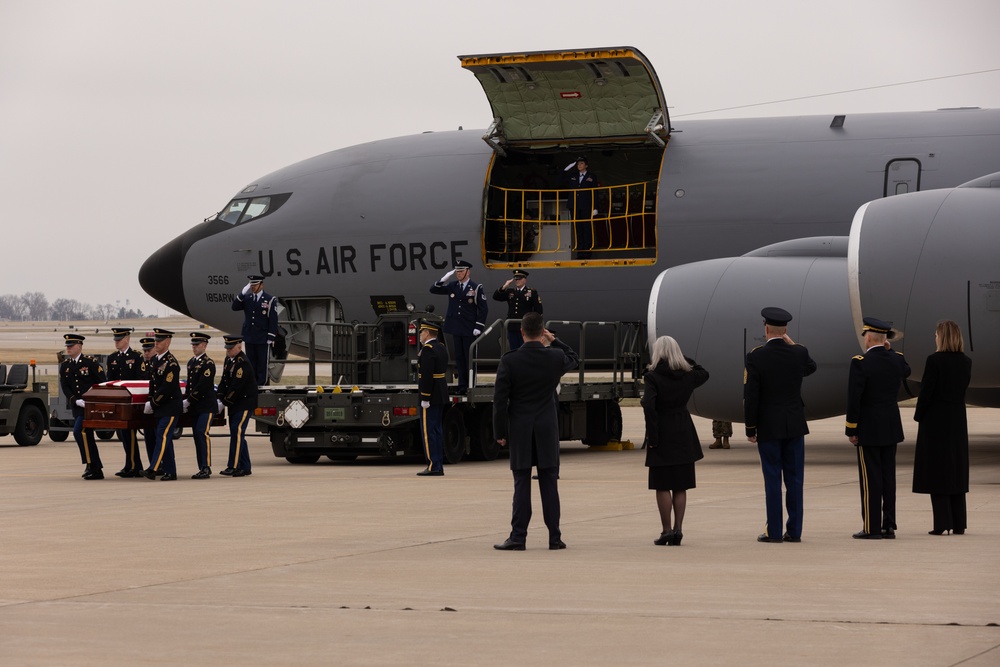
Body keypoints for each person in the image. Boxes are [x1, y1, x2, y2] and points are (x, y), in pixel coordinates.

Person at [493, 312, 579, 551]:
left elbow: (500, 401)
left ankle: (518, 536)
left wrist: (499, 432)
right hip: (546, 427)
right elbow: (575, 357)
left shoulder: (510, 361)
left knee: (522, 483)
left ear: (521, 332)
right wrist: (553, 340)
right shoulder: (554, 357)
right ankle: (555, 537)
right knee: (549, 483)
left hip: (521, 428)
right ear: (542, 332)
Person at [744, 307, 817, 543]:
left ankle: (773, 531)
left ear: (766, 329)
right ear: (785, 330)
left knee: (773, 479)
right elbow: (811, 366)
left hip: (768, 426)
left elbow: (751, 395)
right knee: (795, 480)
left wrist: (750, 427)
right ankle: (794, 531)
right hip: (794, 424)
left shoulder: (756, 356)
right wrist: (793, 344)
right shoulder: (799, 353)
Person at [846, 317, 911, 539]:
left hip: (869, 428)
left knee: (870, 479)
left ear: (869, 338)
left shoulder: (860, 362)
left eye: (865, 335)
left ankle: (871, 527)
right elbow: (907, 371)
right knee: (888, 477)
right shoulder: (896, 360)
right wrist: (890, 352)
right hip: (891, 426)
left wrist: (851, 429)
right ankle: (889, 525)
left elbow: (854, 399)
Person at [642, 336, 709, 546]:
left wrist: (653, 436)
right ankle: (679, 529)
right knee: (681, 485)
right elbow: (703, 372)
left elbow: (649, 406)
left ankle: (666, 530)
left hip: (662, 429)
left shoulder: (652, 377)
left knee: (662, 485)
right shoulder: (687, 375)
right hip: (682, 428)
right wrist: (682, 358)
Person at [912, 320, 972, 535]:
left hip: (936, 420)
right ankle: (958, 522)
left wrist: (918, 416)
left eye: (936, 334)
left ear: (942, 336)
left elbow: (927, 392)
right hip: (957, 418)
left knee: (937, 470)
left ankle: (941, 523)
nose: (934, 337)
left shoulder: (934, 360)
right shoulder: (965, 361)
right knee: (955, 468)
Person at [429, 259, 488, 394]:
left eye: (461, 271)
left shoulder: (476, 287)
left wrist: (479, 326)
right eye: (457, 271)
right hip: (456, 327)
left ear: (468, 271)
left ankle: (471, 386)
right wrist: (443, 279)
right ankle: (462, 387)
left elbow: (483, 309)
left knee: (470, 358)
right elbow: (433, 290)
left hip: (469, 328)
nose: (458, 273)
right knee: (460, 358)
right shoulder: (452, 285)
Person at [60, 333, 107, 479]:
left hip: (90, 406)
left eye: (71, 345)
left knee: (79, 431)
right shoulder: (66, 366)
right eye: (67, 346)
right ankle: (93, 466)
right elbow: (65, 386)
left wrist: (93, 399)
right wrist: (75, 400)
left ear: (79, 346)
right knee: (86, 435)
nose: (68, 348)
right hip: (78, 406)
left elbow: (102, 382)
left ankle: (93, 465)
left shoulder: (90, 363)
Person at [142, 328, 183, 481]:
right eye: (156, 341)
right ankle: (170, 471)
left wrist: (153, 403)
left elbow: (167, 387)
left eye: (159, 341)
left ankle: (153, 468)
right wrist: (150, 400)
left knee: (162, 436)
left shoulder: (171, 363)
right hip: (160, 407)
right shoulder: (154, 360)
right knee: (165, 439)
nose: (156, 343)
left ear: (168, 342)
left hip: (170, 407)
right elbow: (153, 384)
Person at [106, 326, 145, 477]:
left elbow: (141, 379)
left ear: (127, 339)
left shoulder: (136, 356)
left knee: (129, 433)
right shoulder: (113, 358)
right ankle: (130, 464)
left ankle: (135, 466)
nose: (116, 342)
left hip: (132, 402)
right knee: (123, 434)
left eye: (119, 339)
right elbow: (111, 380)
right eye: (115, 339)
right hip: (120, 402)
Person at [216, 335, 258, 477]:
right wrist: (219, 397)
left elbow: (236, 387)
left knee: (237, 430)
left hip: (244, 403)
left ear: (239, 347)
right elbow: (224, 381)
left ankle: (233, 466)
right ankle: (245, 467)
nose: (228, 350)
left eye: (231, 348)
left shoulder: (242, 363)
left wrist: (224, 402)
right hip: (235, 403)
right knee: (237, 433)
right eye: (227, 348)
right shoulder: (229, 360)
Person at [231, 274, 279, 386]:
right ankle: (252, 384)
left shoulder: (269, 299)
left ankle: (261, 384)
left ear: (261, 285)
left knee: (262, 363)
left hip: (262, 337)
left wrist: (271, 336)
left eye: (255, 284)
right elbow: (234, 307)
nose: (253, 287)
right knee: (251, 362)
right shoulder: (247, 298)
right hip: (249, 336)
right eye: (251, 285)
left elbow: (273, 319)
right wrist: (242, 293)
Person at [415, 320, 449, 477]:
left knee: (429, 432)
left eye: (422, 332)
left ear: (427, 333)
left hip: (431, 394)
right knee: (437, 430)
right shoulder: (441, 347)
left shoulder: (428, 350)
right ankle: (438, 464)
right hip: (441, 392)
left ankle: (433, 465)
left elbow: (426, 376)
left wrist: (425, 397)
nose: (420, 335)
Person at [185, 332, 217, 480]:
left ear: (204, 345)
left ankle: (206, 466)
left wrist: (189, 399)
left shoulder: (208, 363)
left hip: (206, 406)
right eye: (193, 344)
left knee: (202, 433)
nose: (194, 347)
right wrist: (186, 399)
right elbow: (189, 385)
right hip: (195, 407)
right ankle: (201, 466)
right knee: (197, 436)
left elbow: (203, 386)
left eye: (197, 344)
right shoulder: (191, 362)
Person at [492, 269, 543, 351]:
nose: (517, 280)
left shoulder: (531, 292)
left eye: (519, 278)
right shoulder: (510, 292)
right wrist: (504, 286)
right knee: (514, 349)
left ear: (524, 279)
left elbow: (538, 310)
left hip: (525, 327)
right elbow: (496, 297)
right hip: (512, 326)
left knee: (525, 350)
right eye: (516, 279)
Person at [566, 156, 598, 258]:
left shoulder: (592, 176)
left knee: (586, 228)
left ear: (586, 165)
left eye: (581, 163)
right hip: (574, 206)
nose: (579, 165)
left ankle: (587, 251)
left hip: (586, 205)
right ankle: (580, 252)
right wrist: (566, 169)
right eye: (578, 164)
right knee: (578, 229)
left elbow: (595, 192)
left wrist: (595, 207)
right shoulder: (573, 175)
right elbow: (560, 179)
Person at [138, 336, 157, 470]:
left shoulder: (160, 363)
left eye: (149, 350)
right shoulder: (142, 365)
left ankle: (159, 465)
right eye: (144, 351)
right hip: (146, 407)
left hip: (157, 405)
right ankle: (152, 464)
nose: (146, 353)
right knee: (149, 438)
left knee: (158, 438)